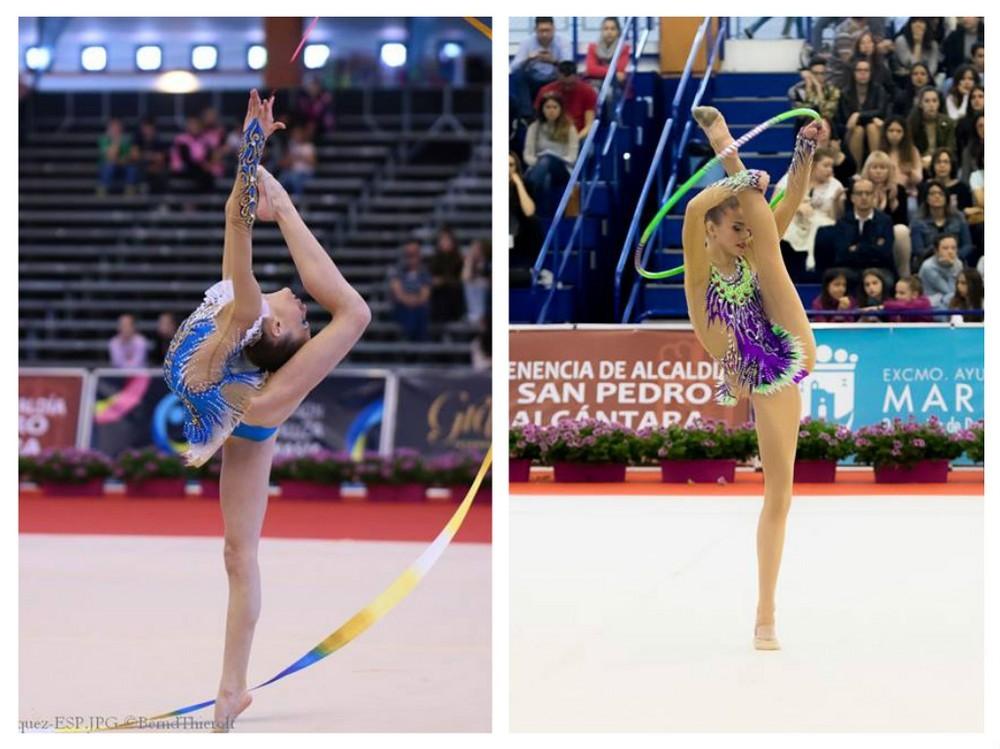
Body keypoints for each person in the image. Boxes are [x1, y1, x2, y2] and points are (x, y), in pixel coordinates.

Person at [163, 91, 371, 730]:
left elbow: (237, 223)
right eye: (303, 312)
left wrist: (262, 171)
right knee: (236, 553)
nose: (302, 308)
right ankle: (234, 688)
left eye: (301, 316)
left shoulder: (250, 308)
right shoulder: (247, 317)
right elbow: (237, 214)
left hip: (248, 401)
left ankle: (231, 684)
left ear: (274, 328)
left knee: (354, 314)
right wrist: (255, 162)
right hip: (240, 402)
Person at [683, 106, 821, 651]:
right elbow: (695, 207)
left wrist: (803, 154)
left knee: (781, 495)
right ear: (714, 230)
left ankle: (767, 612)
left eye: (745, 225)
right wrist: (737, 181)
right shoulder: (699, 270)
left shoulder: (754, 251)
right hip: (744, 369)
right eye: (733, 227)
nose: (742, 235)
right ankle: (765, 614)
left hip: (785, 355)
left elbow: (785, 204)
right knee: (777, 498)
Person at [777, 146, 843, 279]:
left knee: (823, 231)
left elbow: (839, 217)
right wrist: (796, 207)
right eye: (825, 166)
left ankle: (813, 264)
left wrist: (838, 201)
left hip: (822, 224)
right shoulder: (792, 178)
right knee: (785, 231)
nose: (830, 170)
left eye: (831, 166)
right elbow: (774, 204)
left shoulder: (836, 185)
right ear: (813, 165)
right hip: (794, 221)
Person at [825, 177, 897, 280]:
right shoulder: (843, 222)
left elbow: (884, 253)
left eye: (868, 193)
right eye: (859, 193)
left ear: (874, 197)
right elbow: (842, 255)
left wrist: (857, 248)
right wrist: (872, 247)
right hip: (850, 270)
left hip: (879, 269)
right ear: (852, 197)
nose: (864, 197)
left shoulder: (885, 221)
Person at [522, 93, 579, 216]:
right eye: (548, 107)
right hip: (539, 168)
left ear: (560, 109)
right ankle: (545, 217)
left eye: (555, 107)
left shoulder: (569, 128)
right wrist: (540, 163)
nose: (551, 110)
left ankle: (529, 191)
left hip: (562, 168)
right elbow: (528, 154)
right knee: (546, 176)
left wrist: (551, 158)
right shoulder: (534, 127)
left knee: (547, 159)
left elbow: (572, 157)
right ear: (542, 109)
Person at [856, 150, 911, 275]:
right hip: (864, 232)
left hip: (889, 235)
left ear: (889, 171)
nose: (878, 171)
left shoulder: (899, 191)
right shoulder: (859, 190)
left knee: (901, 230)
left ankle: (904, 277)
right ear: (867, 170)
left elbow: (902, 221)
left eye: (883, 168)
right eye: (874, 167)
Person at [510, 17, 568, 120]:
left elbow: (569, 67)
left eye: (548, 30)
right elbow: (513, 68)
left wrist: (553, 61)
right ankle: (527, 116)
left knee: (568, 76)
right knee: (518, 76)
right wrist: (528, 58)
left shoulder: (563, 42)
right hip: (533, 79)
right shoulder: (527, 42)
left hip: (554, 78)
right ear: (535, 30)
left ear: (554, 29)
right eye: (541, 31)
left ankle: (563, 114)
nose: (545, 34)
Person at [834, 58, 888, 166]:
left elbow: (880, 112)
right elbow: (847, 119)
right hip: (851, 131)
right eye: (859, 70)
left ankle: (876, 166)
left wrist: (858, 115)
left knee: (871, 128)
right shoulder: (845, 92)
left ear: (870, 73)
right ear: (853, 73)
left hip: (874, 129)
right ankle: (857, 171)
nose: (862, 73)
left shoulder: (879, 89)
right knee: (858, 130)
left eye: (866, 70)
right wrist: (869, 117)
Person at [910, 179, 974, 265]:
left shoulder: (958, 217)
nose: (937, 196)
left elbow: (968, 245)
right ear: (926, 198)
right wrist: (940, 255)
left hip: (956, 261)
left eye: (941, 194)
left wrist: (953, 255)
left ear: (946, 198)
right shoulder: (917, 221)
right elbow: (918, 250)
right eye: (932, 194)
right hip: (929, 263)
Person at [534, 61, 598, 139]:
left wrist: (575, 140)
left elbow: (589, 125)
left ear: (577, 77)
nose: (567, 88)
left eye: (571, 84)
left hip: (578, 135)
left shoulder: (588, 91)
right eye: (563, 84)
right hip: (551, 135)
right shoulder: (546, 91)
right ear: (558, 77)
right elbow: (539, 120)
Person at [388, 240, 432, 341]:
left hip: (420, 307)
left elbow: (425, 295)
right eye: (409, 254)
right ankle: (413, 343)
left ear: (419, 254)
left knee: (419, 313)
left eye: (414, 254)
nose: (412, 257)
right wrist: (409, 300)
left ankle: (414, 343)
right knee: (410, 314)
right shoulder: (398, 270)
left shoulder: (425, 272)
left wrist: (415, 301)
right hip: (402, 307)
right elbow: (398, 293)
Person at [509, 151, 541, 289]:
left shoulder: (525, 186)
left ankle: (531, 270)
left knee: (533, 221)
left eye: (511, 165)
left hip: (519, 238)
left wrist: (518, 183)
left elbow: (530, 212)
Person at [907, 86, 956, 170]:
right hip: (919, 163)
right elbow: (909, 149)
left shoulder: (948, 122)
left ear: (939, 103)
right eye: (927, 101)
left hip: (941, 162)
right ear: (920, 104)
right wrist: (920, 161)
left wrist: (935, 160)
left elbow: (950, 147)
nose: (931, 105)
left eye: (934, 101)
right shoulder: (911, 123)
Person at [428, 226, 466, 324]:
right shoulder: (434, 260)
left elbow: (462, 278)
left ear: (453, 241)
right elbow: (431, 278)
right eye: (442, 239)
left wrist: (444, 280)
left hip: (455, 293)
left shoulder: (459, 259)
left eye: (447, 239)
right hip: (439, 294)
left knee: (449, 291)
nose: (444, 242)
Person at [787, 57, 841, 123]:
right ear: (809, 74)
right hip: (803, 127)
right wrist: (809, 89)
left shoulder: (833, 90)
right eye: (815, 73)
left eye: (822, 73)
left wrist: (819, 90)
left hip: (828, 128)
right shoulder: (796, 90)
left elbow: (826, 115)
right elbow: (803, 116)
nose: (819, 77)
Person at [880, 116, 923, 199]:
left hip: (908, 193)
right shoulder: (880, 152)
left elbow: (919, 178)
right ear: (885, 132)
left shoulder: (912, 151)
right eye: (891, 131)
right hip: (884, 192)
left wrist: (910, 172)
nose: (894, 134)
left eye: (899, 131)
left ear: (904, 134)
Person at [170, 115, 216, 192]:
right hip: (184, 168)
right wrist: (202, 165)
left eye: (196, 125)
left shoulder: (204, 140)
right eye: (192, 125)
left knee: (208, 175)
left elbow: (208, 156)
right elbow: (186, 158)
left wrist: (207, 164)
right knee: (203, 174)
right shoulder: (181, 140)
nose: (194, 127)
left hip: (200, 169)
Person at [918, 234, 963, 307]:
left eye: (953, 248)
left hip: (948, 300)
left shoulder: (958, 263)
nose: (950, 252)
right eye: (945, 248)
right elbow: (949, 291)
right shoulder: (928, 267)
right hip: (931, 303)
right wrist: (951, 268)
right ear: (936, 251)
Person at [585, 17, 629, 88]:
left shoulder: (624, 48)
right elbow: (590, 69)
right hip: (595, 83)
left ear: (618, 31)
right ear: (602, 31)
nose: (609, 32)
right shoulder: (593, 47)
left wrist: (598, 70)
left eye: (613, 29)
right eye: (606, 29)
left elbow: (620, 69)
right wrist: (613, 72)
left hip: (615, 85)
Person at [97, 118, 138, 196]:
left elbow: (134, 156)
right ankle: (102, 190)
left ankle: (130, 192)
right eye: (113, 127)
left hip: (123, 166)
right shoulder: (104, 139)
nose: (116, 130)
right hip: (109, 167)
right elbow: (111, 156)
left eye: (118, 127)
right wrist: (116, 141)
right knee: (108, 168)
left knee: (132, 169)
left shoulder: (127, 139)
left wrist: (124, 159)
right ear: (109, 129)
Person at [129, 117, 168, 194]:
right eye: (145, 127)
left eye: (150, 127)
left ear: (154, 128)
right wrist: (151, 156)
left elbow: (161, 157)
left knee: (162, 173)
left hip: (155, 167)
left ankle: (162, 201)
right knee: (137, 169)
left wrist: (145, 155)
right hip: (141, 167)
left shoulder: (158, 139)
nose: (148, 130)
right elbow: (134, 155)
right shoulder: (137, 138)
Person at [926, 147, 973, 212]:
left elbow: (967, 212)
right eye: (938, 162)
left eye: (946, 162)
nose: (942, 165)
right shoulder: (926, 187)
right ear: (933, 165)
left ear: (952, 165)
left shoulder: (962, 188)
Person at [279, 124, 316, 199]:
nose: (296, 136)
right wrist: (290, 159)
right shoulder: (291, 147)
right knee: (283, 176)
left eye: (298, 134)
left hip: (305, 173)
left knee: (295, 178)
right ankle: (279, 197)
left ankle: (298, 198)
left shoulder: (308, 146)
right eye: (294, 134)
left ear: (302, 135)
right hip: (292, 171)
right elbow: (282, 163)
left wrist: (301, 157)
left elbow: (313, 163)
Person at [462, 238, 490, 325]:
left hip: (488, 295)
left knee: (482, 284)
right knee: (468, 285)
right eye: (473, 249)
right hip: (475, 294)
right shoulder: (469, 262)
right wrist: (469, 262)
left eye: (478, 249)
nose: (476, 251)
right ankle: (475, 314)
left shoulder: (489, 262)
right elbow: (466, 277)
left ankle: (480, 314)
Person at [955, 84, 984, 156]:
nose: (976, 100)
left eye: (980, 96)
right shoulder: (962, 124)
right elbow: (960, 148)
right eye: (973, 97)